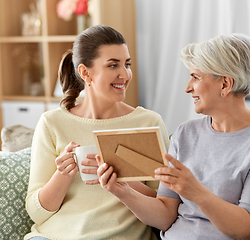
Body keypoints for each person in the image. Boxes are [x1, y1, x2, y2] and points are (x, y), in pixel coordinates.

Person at [97, 33, 250, 240]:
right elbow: (165, 217)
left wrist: (194, 191)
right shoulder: (185, 133)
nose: (188, 88)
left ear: (225, 84)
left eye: (196, 77)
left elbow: (245, 228)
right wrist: (124, 192)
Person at [25, 25, 169, 240]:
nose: (125, 74)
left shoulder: (149, 122)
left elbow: (164, 207)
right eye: (113, 65)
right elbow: (37, 213)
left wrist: (124, 180)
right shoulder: (52, 122)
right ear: (85, 72)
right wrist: (63, 175)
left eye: (127, 64)